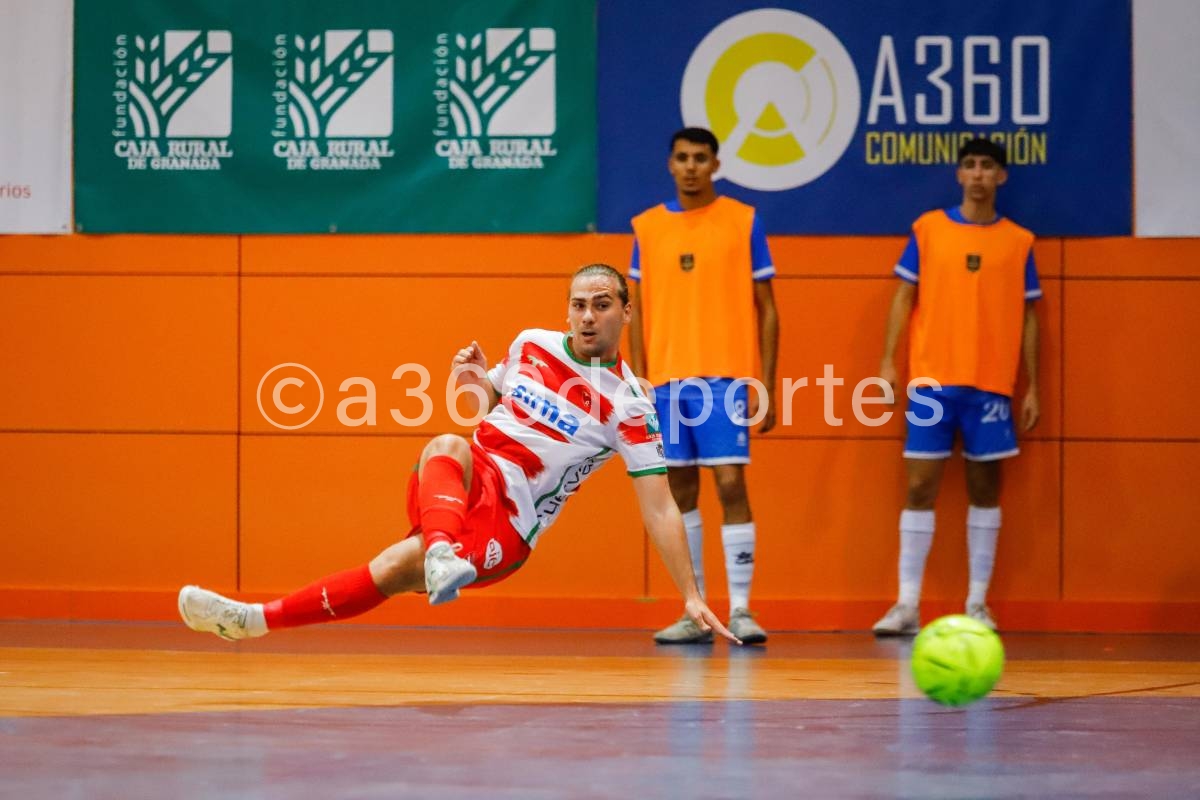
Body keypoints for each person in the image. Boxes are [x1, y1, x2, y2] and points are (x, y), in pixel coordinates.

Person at [177, 264, 740, 646]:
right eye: (578, 305)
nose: (588, 316)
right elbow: (489, 404)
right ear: (565, 311)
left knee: (393, 568)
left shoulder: (630, 403)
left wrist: (690, 595)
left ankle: (251, 621)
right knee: (447, 442)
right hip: (466, 479)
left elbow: (661, 507)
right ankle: (443, 553)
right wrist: (473, 377)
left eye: (601, 305)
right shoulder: (530, 344)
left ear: (625, 312)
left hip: (510, 523)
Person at [872, 137, 1042, 636]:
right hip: (932, 382)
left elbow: (1030, 315)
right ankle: (906, 605)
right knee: (920, 485)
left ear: (1001, 176)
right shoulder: (928, 230)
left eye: (988, 166)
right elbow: (904, 297)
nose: (978, 174)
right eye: (969, 165)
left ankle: (976, 604)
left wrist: (1030, 386)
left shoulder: (1019, 240)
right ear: (958, 175)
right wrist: (888, 362)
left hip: (991, 383)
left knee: (985, 489)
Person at [628, 127, 779, 645]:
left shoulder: (743, 221)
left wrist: (766, 381)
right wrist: (638, 380)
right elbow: (637, 312)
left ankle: (741, 610)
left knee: (732, 485)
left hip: (725, 379)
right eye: (682, 158)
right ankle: (697, 614)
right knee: (680, 493)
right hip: (666, 383)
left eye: (701, 158)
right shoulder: (647, 228)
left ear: (716, 164)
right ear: (670, 164)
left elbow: (769, 310)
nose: (691, 166)